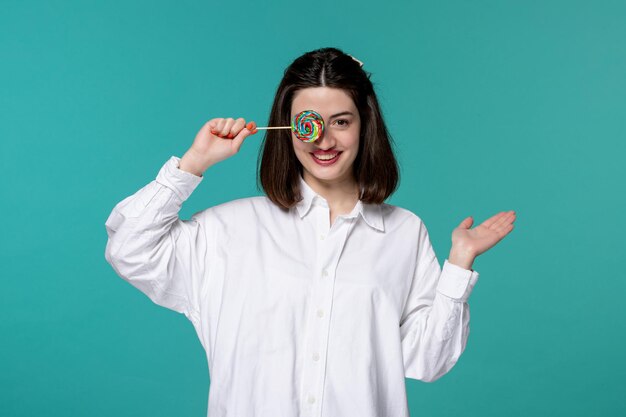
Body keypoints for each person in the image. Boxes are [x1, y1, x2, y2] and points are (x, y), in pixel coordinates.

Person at [104, 47, 516, 417]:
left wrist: (459, 264)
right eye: (309, 123)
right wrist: (192, 164)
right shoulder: (227, 230)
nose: (324, 139)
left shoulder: (404, 233)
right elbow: (130, 249)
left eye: (341, 121)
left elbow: (428, 360)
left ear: (364, 126)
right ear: (288, 128)